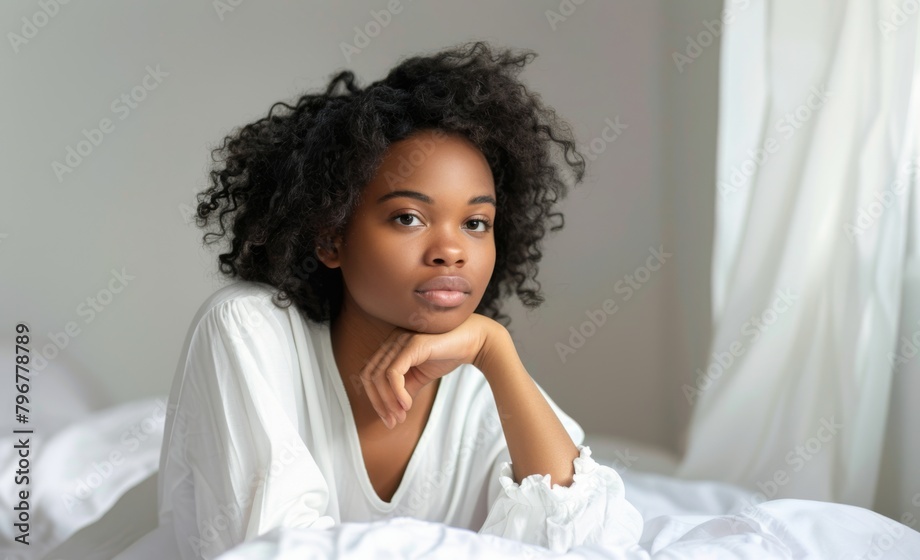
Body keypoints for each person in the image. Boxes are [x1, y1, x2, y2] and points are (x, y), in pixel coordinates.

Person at [157, 41, 643, 559]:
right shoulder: (248, 330)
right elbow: (272, 548)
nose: (452, 251)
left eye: (476, 223)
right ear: (330, 238)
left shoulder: (479, 379)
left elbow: (590, 544)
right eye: (408, 217)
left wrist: (495, 350)